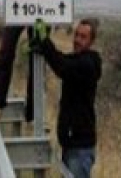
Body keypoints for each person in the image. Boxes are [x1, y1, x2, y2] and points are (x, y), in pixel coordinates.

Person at [33, 18, 102, 178]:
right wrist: (44, 47)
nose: (77, 40)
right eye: (76, 35)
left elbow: (62, 67)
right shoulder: (79, 58)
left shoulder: (87, 64)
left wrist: (44, 41)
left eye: (83, 37)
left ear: (91, 41)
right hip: (71, 144)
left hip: (80, 149)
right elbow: (61, 58)